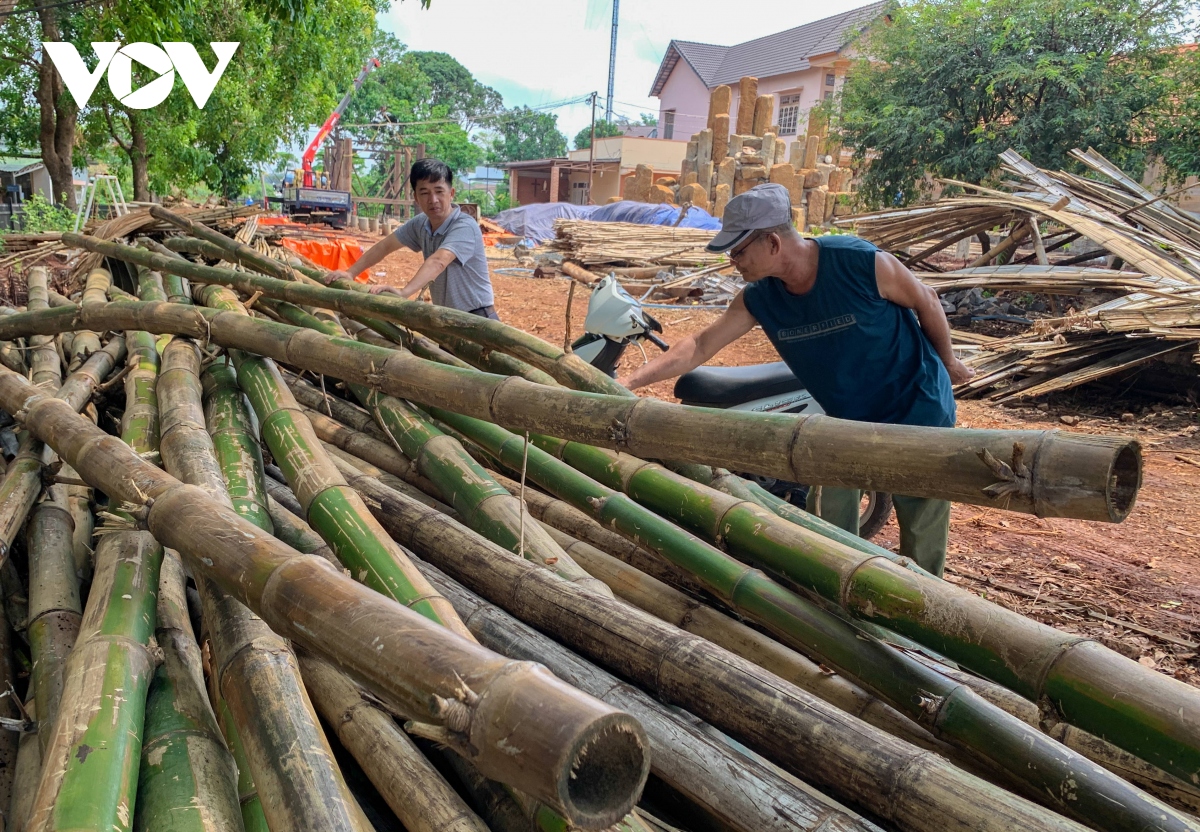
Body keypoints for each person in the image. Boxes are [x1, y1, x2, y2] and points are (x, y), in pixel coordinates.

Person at [618, 183, 975, 577]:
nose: (734, 261)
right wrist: (632, 383)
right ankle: (837, 605)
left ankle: (921, 623)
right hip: (845, 418)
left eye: (738, 251)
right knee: (828, 525)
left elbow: (926, 299)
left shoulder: (862, 264)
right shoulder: (760, 296)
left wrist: (949, 362)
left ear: (772, 242)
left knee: (921, 520)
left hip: (915, 403)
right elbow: (700, 345)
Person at [324, 158, 498, 319]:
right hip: (448, 317)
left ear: (451, 193)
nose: (433, 200)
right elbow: (385, 246)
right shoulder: (421, 223)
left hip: (478, 316)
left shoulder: (464, 226)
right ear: (416, 197)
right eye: (424, 193)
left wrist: (404, 292)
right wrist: (350, 273)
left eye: (439, 191)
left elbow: (438, 261)